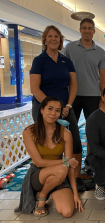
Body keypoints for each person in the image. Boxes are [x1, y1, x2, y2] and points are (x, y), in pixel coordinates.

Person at [30, 25, 82, 180]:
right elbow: (34, 88)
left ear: (60, 40)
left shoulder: (67, 61)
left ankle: (74, 177)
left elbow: (73, 85)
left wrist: (68, 106)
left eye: (56, 36)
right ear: (45, 40)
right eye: (50, 36)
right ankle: (51, 178)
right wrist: (51, 109)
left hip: (66, 108)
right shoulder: (39, 60)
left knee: (75, 143)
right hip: (43, 108)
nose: (53, 39)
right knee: (48, 145)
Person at [16, 97, 83, 217]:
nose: (53, 113)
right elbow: (38, 162)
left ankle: (44, 193)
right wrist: (65, 162)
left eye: (57, 110)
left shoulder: (66, 133)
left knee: (67, 212)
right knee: (62, 168)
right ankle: (42, 198)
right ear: (41, 110)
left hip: (59, 177)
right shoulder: (29, 132)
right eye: (50, 109)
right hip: (38, 175)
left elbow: (71, 167)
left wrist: (75, 194)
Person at [64, 18, 105, 183]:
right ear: (80, 30)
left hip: (93, 96)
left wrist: (102, 97)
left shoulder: (100, 51)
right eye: (84, 28)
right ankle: (69, 166)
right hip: (71, 97)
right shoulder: (70, 47)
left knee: (92, 133)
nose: (87, 31)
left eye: (90, 28)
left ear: (94, 31)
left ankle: (89, 165)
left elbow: (102, 77)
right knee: (68, 133)